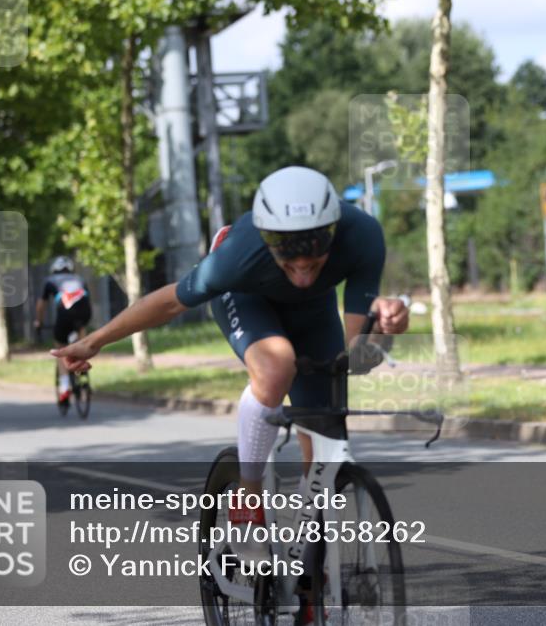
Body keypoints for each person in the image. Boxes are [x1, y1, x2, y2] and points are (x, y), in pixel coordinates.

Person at [51, 166, 409, 517]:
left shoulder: (363, 236)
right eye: (286, 248)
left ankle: (310, 558)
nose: (301, 262)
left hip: (313, 312)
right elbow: (169, 302)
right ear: (266, 236)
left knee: (323, 451)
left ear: (334, 230)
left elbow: (358, 359)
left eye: (314, 247)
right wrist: (95, 341)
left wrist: (386, 330)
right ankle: (247, 498)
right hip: (245, 297)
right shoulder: (238, 254)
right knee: (276, 367)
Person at [36, 256, 92, 405]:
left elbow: (41, 305)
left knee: (60, 348)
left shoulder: (49, 281)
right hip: (85, 312)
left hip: (65, 315)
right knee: (81, 331)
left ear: (54, 270)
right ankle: (83, 363)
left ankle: (65, 387)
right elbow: (86, 299)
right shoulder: (80, 278)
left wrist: (39, 322)